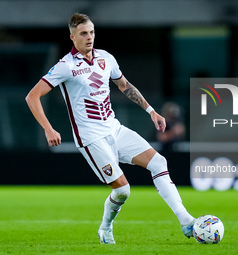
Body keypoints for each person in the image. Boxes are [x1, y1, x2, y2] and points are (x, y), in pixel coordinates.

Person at [25, 13, 195, 244]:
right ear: (72, 36)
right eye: (84, 33)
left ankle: (186, 221)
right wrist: (48, 128)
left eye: (92, 32)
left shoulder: (106, 58)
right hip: (91, 138)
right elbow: (32, 96)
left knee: (159, 162)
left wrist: (151, 111)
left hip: (114, 129)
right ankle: (105, 228)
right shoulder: (65, 66)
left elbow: (124, 86)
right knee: (123, 191)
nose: (89, 37)